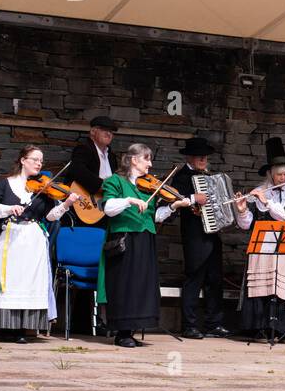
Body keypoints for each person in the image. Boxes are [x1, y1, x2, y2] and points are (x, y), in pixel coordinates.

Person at [0, 146, 79, 344]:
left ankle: (21, 329)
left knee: (27, 282)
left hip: (33, 238)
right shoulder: (5, 184)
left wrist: (66, 204)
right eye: (34, 159)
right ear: (23, 160)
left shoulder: (45, 189)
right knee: (2, 280)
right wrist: (9, 208)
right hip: (10, 235)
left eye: (41, 161)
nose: (39, 164)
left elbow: (50, 216)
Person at [101, 144, 193, 348]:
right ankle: (121, 332)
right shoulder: (114, 181)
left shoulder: (149, 186)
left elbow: (156, 216)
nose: (150, 164)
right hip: (124, 238)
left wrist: (173, 206)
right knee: (125, 285)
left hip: (145, 238)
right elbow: (108, 209)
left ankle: (133, 329)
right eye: (146, 159)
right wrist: (129, 200)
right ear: (133, 159)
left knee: (142, 285)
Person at [173, 137, 242, 340]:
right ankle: (189, 325)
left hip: (212, 234)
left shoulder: (208, 176)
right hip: (194, 235)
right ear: (190, 157)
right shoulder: (182, 177)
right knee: (194, 278)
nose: (204, 159)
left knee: (215, 280)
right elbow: (176, 200)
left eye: (205, 156)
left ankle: (214, 323)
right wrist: (194, 199)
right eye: (200, 156)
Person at [238, 137, 285, 339]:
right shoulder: (259, 191)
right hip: (261, 248)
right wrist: (241, 210)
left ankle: (281, 329)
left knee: (282, 287)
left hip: (284, 247)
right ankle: (258, 327)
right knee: (261, 285)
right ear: (270, 175)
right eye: (279, 175)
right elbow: (246, 225)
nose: (284, 178)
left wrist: (266, 201)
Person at [65, 114, 118, 335]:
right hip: (87, 210)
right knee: (87, 260)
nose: (109, 134)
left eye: (111, 132)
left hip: (105, 211)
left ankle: (103, 320)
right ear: (92, 132)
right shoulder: (83, 149)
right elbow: (77, 172)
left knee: (103, 263)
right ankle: (81, 323)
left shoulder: (112, 157)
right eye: (105, 130)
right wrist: (102, 187)